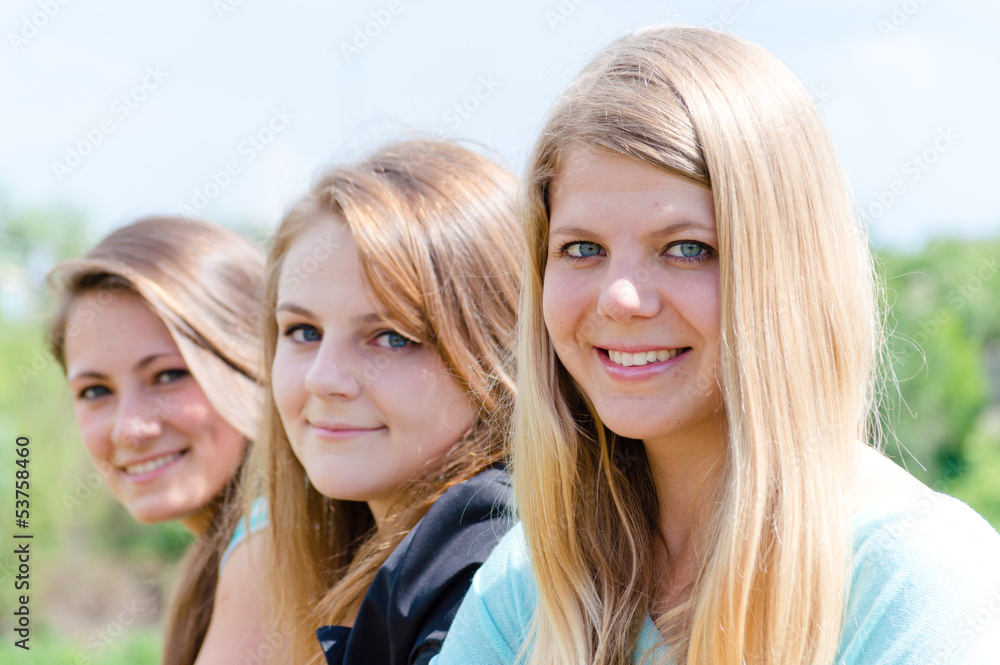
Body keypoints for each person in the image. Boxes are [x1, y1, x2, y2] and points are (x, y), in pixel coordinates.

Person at [434, 25, 1000, 665]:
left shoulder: (921, 580)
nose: (621, 297)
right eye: (582, 249)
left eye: (686, 248)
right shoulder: (528, 586)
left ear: (788, 272)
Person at [246, 139, 522, 665]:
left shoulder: (489, 572)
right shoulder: (394, 562)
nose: (325, 379)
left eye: (392, 337)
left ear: (496, 351)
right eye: (302, 331)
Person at [47, 216, 268, 665]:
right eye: (95, 391)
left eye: (168, 376)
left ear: (251, 365)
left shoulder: (272, 539)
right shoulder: (228, 552)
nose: (129, 428)